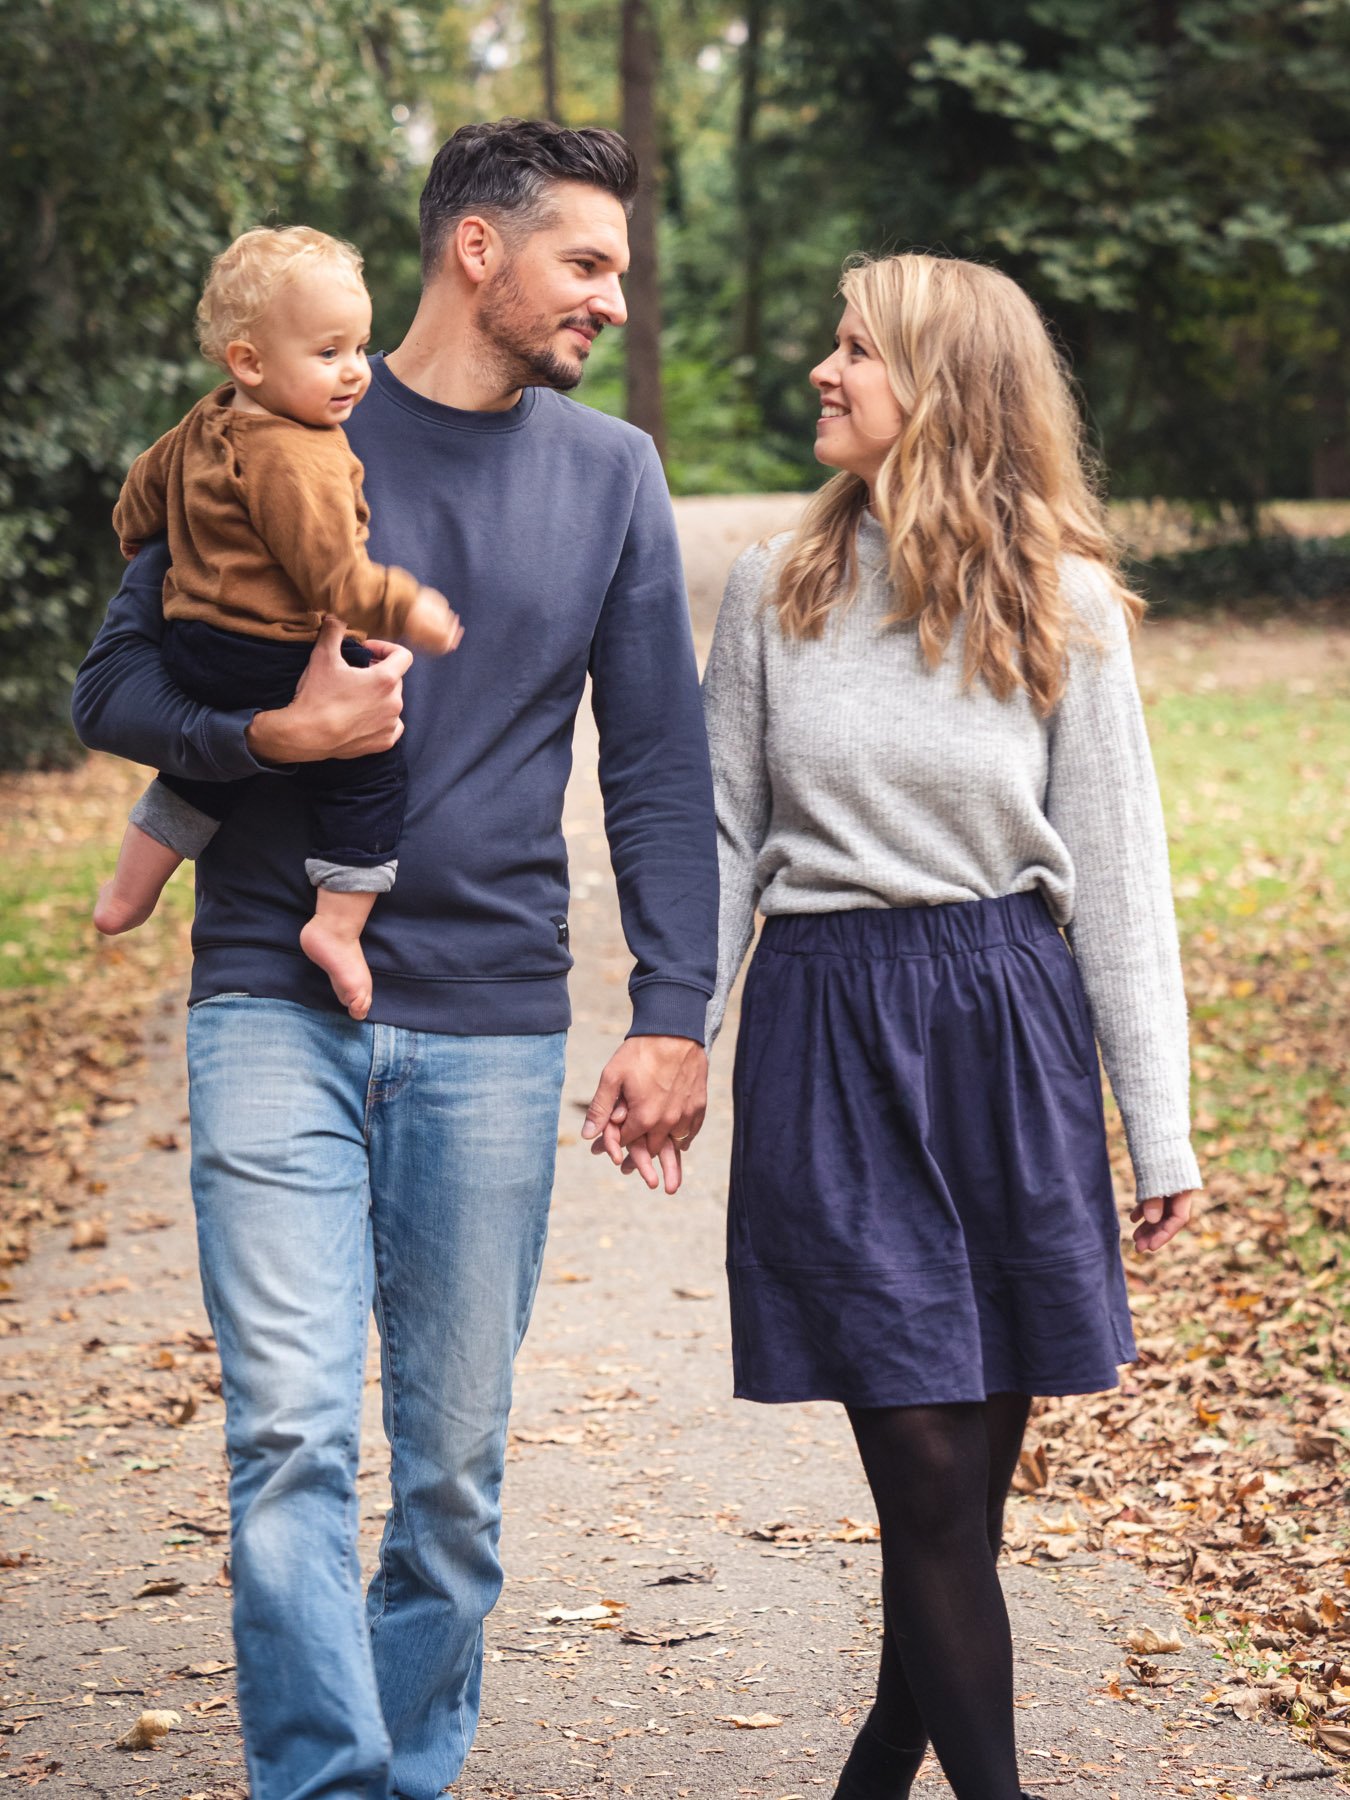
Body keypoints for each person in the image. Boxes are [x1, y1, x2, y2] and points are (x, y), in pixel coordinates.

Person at [72, 119, 717, 1800]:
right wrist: (272, 735)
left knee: (448, 1471)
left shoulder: (613, 477)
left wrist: (672, 1009)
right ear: (479, 252)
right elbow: (115, 692)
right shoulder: (257, 431)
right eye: (588, 262)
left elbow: (655, 765)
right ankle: (330, 1783)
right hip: (270, 997)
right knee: (290, 1426)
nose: (611, 298)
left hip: (495, 1018)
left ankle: (403, 1765)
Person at [699, 252, 1201, 1800]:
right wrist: (670, 1036)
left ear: (945, 386)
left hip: (1004, 1029)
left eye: (854, 349)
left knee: (960, 1498)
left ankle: (874, 1775)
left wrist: (1159, 1126)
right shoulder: (772, 588)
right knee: (920, 1473)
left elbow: (1117, 879)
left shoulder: (1061, 607)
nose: (821, 373)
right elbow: (722, 841)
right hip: (832, 1034)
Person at [96, 225, 461, 1022]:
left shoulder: (209, 417)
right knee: (368, 765)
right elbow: (331, 575)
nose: (357, 371)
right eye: (329, 353)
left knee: (199, 772)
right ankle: (336, 928)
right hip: (275, 648)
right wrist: (409, 609)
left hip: (196, 645)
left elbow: (142, 487)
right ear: (250, 361)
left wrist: (136, 539)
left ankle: (127, 893)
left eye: (361, 346)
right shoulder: (299, 454)